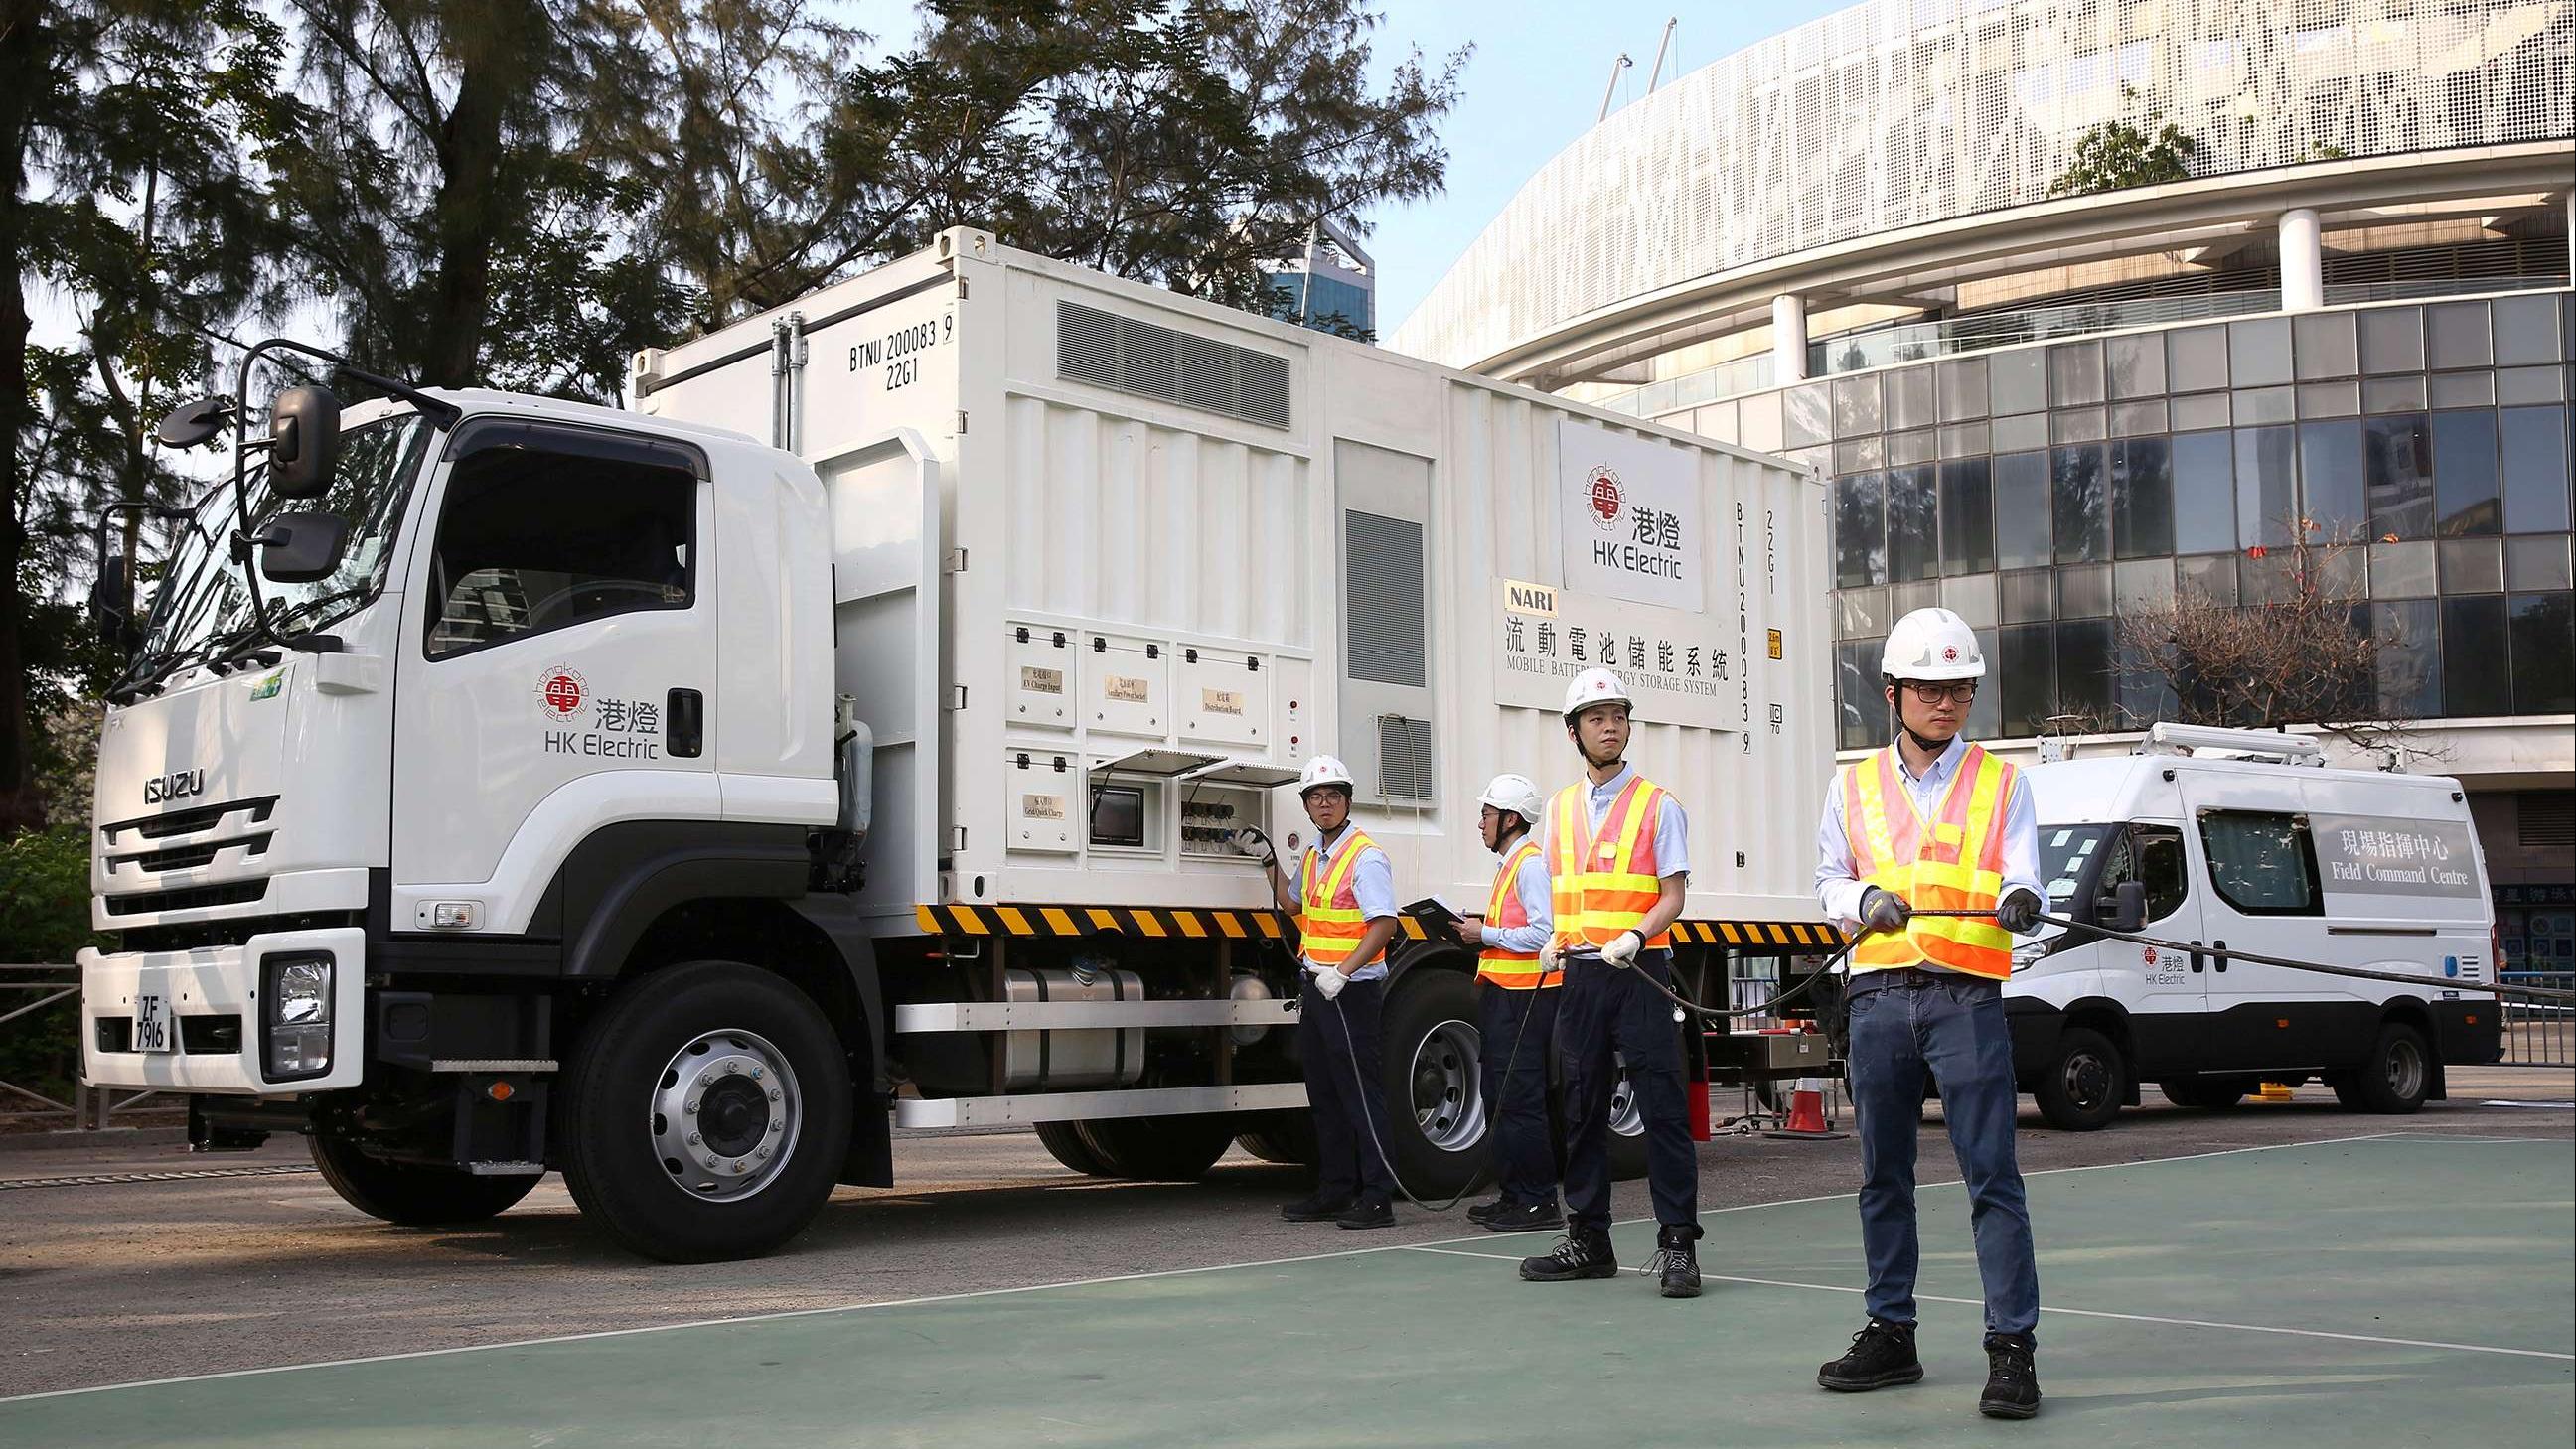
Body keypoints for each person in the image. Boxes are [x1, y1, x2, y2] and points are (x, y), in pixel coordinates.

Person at [1811, 607, 2046, 1420]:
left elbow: (2025, 876)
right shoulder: (1852, 784)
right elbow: (1826, 881)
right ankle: (1890, 1332)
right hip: (1877, 997)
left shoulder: (2002, 782)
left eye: (1958, 688)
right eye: (1928, 688)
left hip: (1965, 997)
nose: (1945, 702)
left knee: (1991, 1176)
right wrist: (1860, 896)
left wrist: (2020, 901)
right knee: (1883, 1174)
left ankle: (2010, 1349)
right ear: (1892, 692)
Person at [1517, 668, 1703, 1298]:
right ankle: (1589, 1240)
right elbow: (1566, 891)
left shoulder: (1659, 805)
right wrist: (1556, 937)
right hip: (1581, 974)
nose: (1610, 726)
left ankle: (1678, 1245)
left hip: (1639, 970)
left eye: (1618, 715)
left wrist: (1636, 936)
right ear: (1573, 732)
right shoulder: (1558, 808)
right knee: (1580, 1108)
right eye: (1596, 718)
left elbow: (1672, 895)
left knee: (1662, 1109)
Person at [1252, 754, 1403, 1230]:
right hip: (1317, 988)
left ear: (1347, 802)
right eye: (1316, 797)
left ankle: (1377, 1196)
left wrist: (1343, 970)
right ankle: (1336, 1189)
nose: (1325, 804)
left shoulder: (1366, 856)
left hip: (1350, 991)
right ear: (1307, 805)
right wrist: (1268, 860)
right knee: (1325, 1093)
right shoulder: (1316, 855)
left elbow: (1384, 925)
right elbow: (1293, 905)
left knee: (1361, 1094)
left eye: (1333, 796)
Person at [1452, 773, 1562, 1233]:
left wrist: (1486, 934)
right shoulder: (1511, 865)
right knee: (1498, 1097)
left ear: (1511, 819)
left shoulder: (1530, 866)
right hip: (1504, 997)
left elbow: (1544, 933)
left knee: (1521, 1100)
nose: (1481, 823)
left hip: (1525, 1002)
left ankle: (1539, 1201)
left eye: (1487, 814)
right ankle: (1516, 1195)